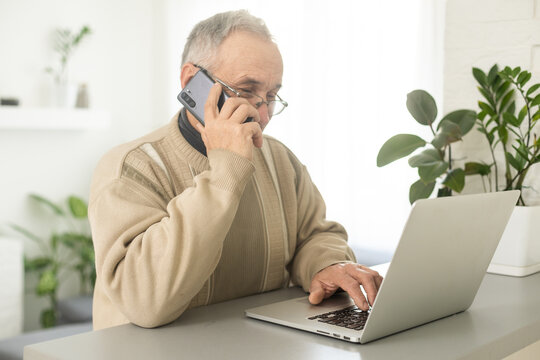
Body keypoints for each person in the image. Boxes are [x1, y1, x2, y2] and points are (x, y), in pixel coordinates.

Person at [88, 10, 383, 330]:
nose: (263, 115)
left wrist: (325, 264)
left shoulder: (280, 160)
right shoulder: (131, 167)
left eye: (271, 97)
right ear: (191, 82)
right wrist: (226, 170)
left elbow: (314, 235)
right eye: (246, 90)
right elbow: (145, 301)